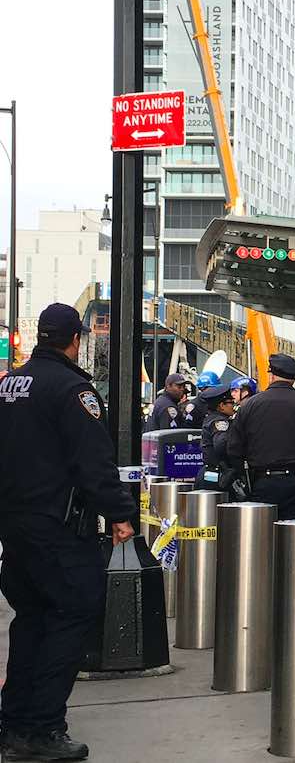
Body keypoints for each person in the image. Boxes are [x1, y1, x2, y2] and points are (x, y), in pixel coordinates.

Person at [0, 303, 137, 761]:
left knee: (32, 620)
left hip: (16, 526)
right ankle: (42, 729)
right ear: (75, 339)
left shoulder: (9, 385)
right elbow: (93, 462)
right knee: (72, 613)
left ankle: (14, 722)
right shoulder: (73, 390)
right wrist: (119, 513)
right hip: (58, 528)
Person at [226, 353, 295, 520]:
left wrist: (245, 476)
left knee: (262, 535)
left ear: (271, 375)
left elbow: (234, 449)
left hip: (262, 482)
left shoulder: (249, 406)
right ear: (293, 379)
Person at [194, 384, 237, 493]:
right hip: (216, 476)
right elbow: (221, 444)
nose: (233, 405)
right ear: (221, 406)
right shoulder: (220, 421)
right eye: (230, 403)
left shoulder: (211, 419)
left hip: (210, 473)